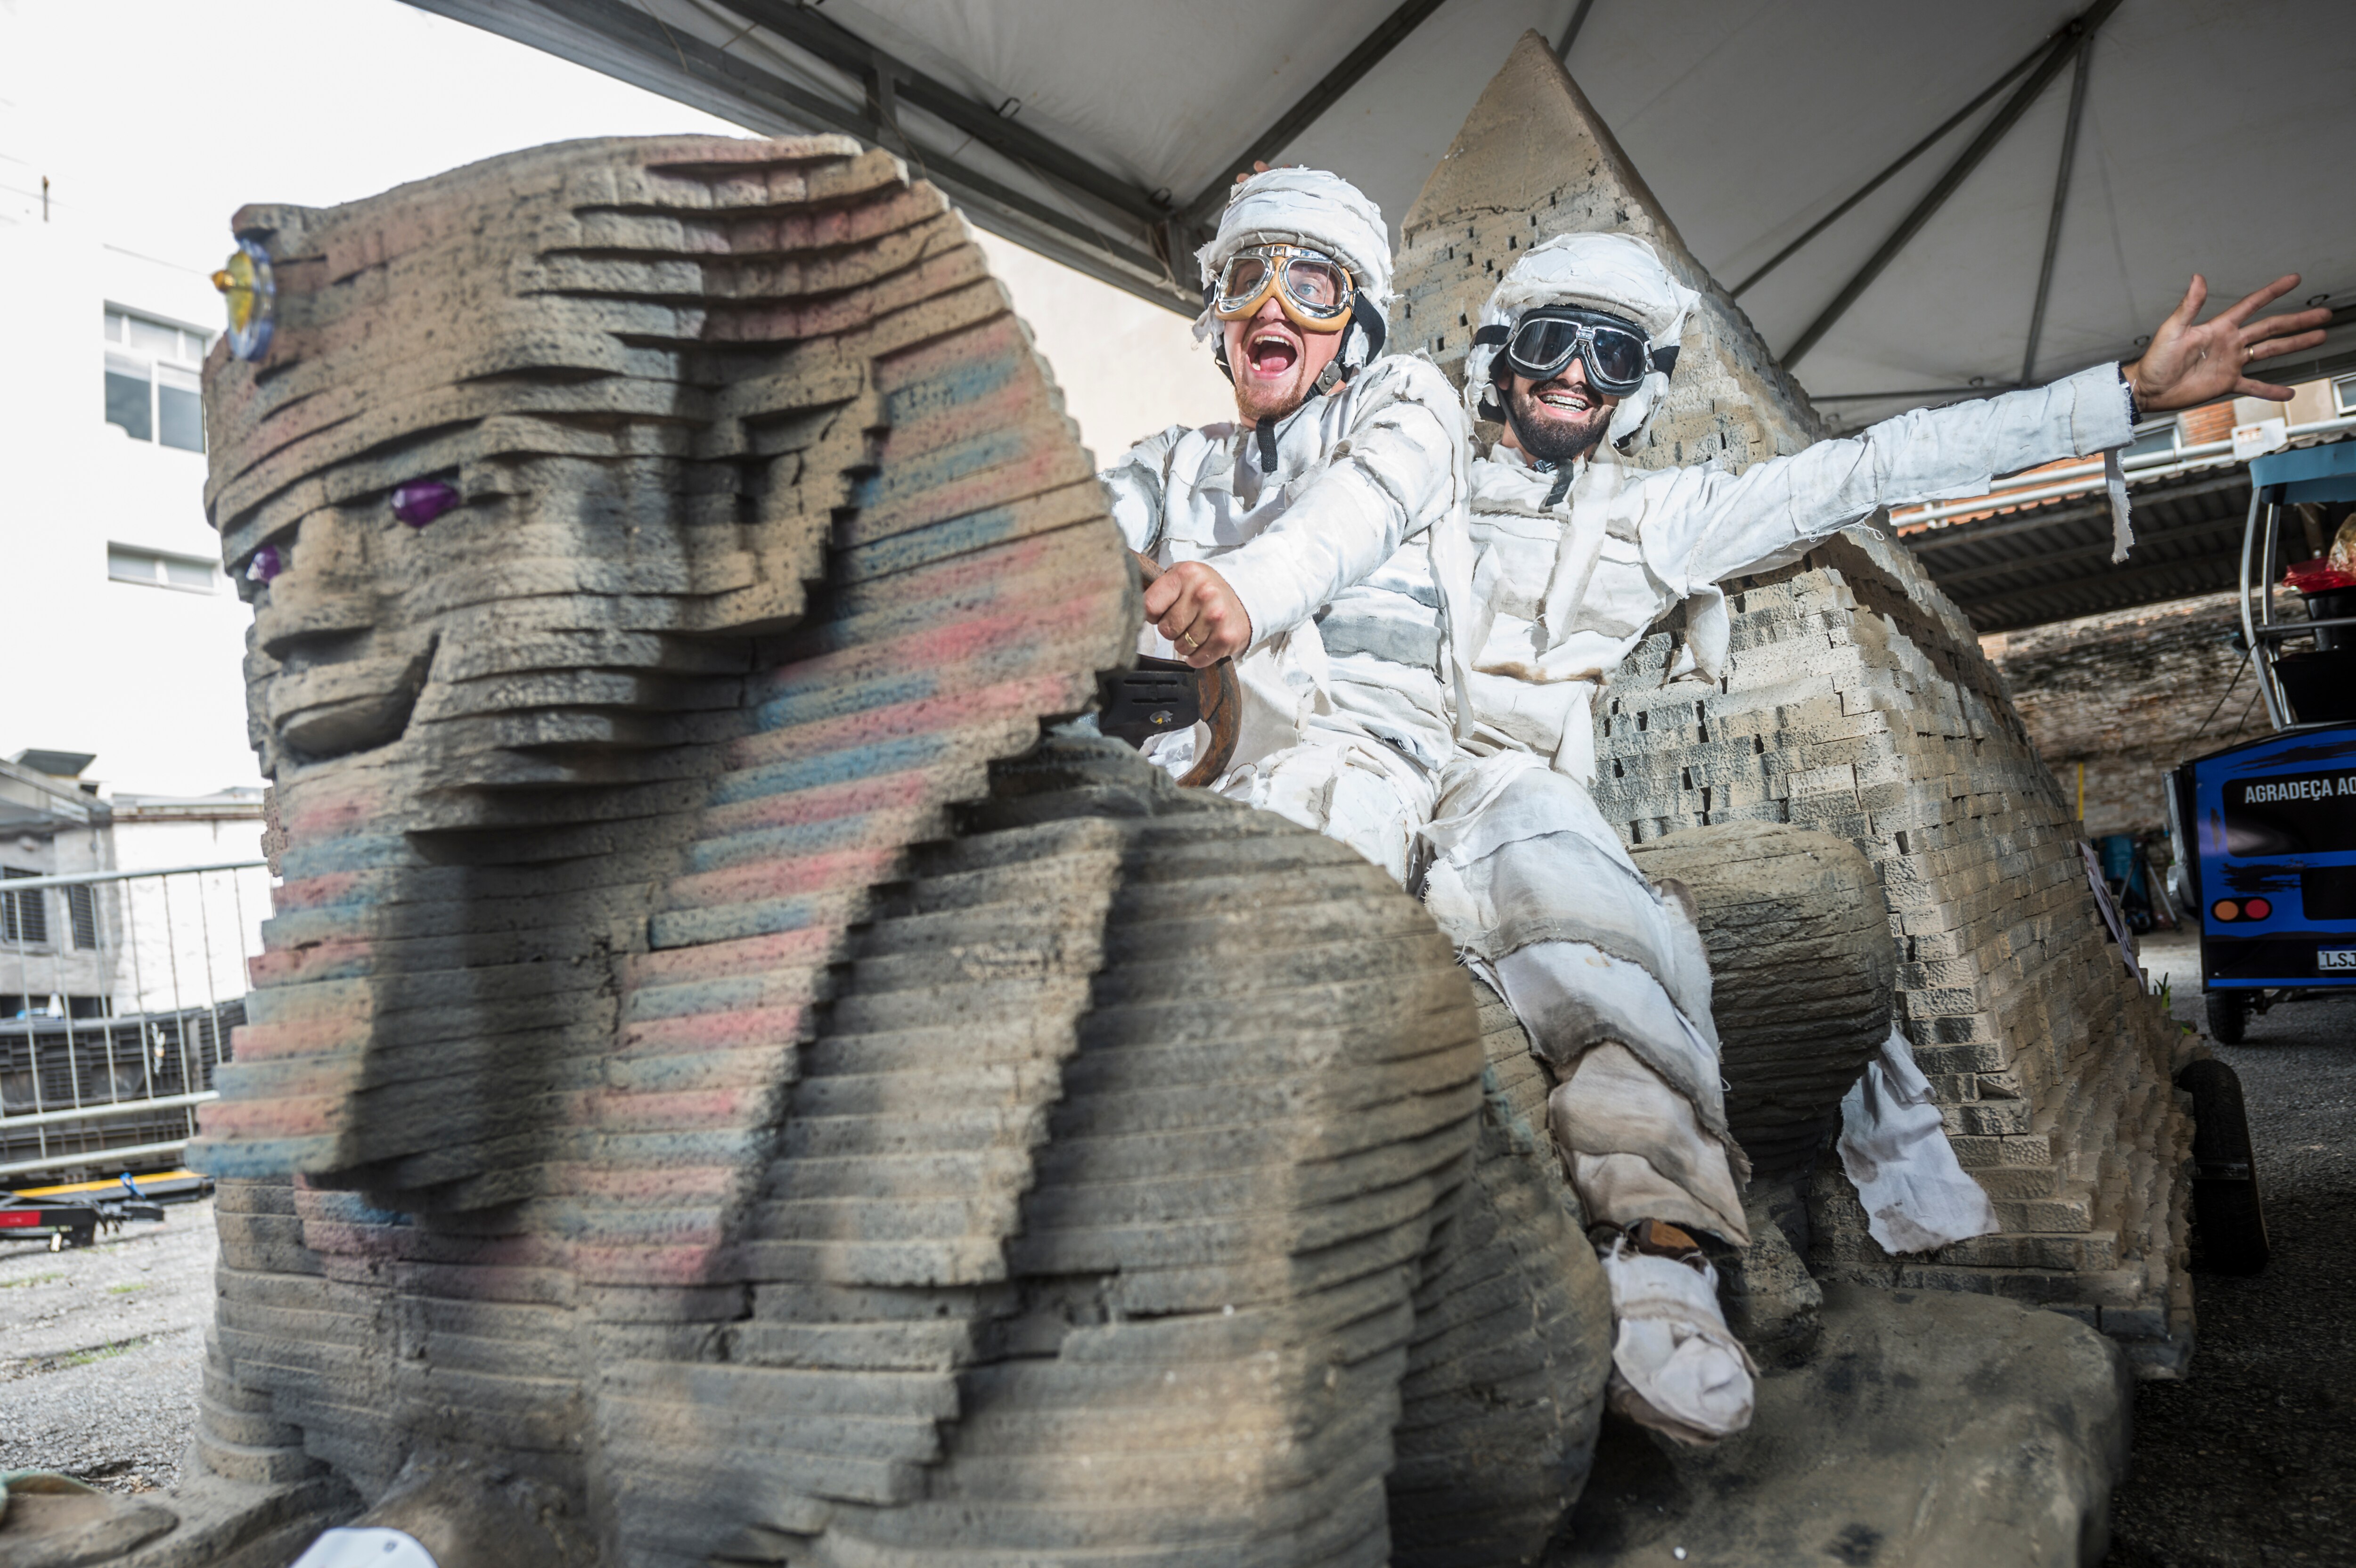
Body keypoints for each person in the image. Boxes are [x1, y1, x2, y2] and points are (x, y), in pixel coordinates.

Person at [1420, 232, 2329, 1442]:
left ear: (1640, 384)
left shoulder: (1651, 522)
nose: (1578, 373)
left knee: (1619, 964)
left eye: (1613, 351)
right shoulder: (1389, 484)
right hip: (1344, 775)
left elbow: (1869, 464)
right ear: (1497, 359)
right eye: (1552, 341)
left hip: (1505, 804)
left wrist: (2123, 398)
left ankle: (1662, 1271)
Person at [1101, 165, 1474, 882]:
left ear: (1357, 325)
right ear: (1222, 320)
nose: (1274, 308)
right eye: (1247, 280)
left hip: (1356, 762)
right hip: (1183, 767)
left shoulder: (1406, 400)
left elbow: (1362, 504)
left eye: (1311, 287)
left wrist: (1242, 592)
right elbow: (1086, 520)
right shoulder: (1179, 456)